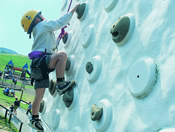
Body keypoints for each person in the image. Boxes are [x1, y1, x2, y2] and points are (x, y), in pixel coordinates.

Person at [20, 4, 80, 131]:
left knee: (39, 96)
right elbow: (59, 23)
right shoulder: (42, 25)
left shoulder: (38, 31)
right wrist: (72, 11)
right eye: (40, 15)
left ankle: (34, 119)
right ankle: (60, 83)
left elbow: (49, 45)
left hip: (36, 66)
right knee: (62, 56)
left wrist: (58, 39)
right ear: (36, 19)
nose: (43, 16)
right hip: (42, 62)